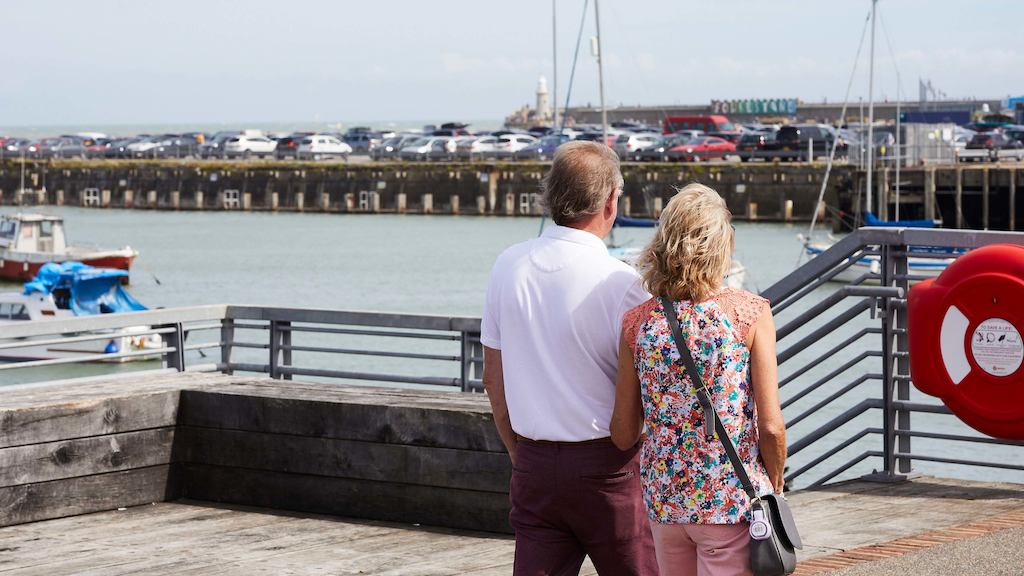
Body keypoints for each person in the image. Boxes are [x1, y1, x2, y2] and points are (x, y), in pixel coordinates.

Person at [481, 140, 658, 576]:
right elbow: (649, 388)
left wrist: (520, 455)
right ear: (610, 202)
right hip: (609, 468)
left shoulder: (508, 266)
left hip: (535, 463)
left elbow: (492, 379)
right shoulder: (623, 283)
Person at [610, 183, 786, 576]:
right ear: (723, 245)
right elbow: (771, 426)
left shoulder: (637, 323)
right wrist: (774, 481)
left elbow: (622, 433)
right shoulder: (749, 314)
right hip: (728, 501)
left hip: (665, 503)